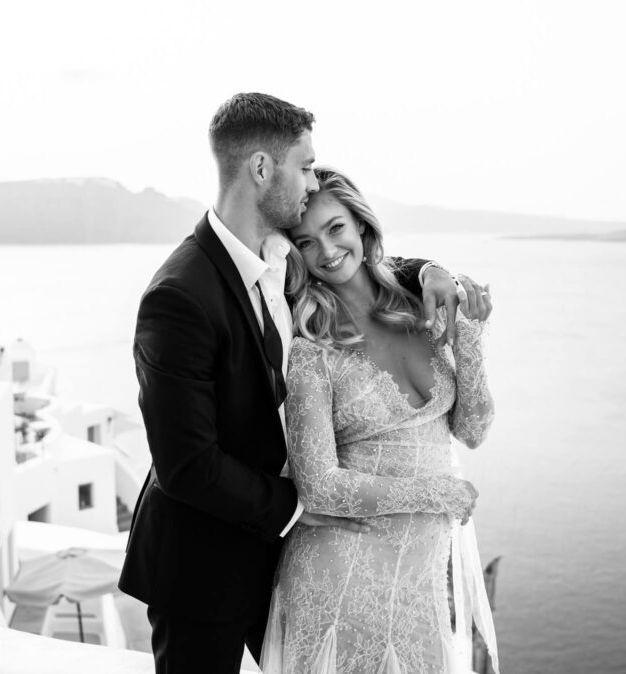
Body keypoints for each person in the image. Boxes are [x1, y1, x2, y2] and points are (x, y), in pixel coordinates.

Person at [117, 93, 474, 674]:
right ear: (262, 169)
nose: (312, 181)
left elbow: (359, 262)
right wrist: (303, 502)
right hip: (202, 567)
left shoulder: (281, 256)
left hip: (282, 557)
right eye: (304, 166)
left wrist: (436, 272)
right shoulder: (180, 296)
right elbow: (186, 464)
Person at [259, 166, 500, 673]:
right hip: (341, 572)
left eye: (336, 228)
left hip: (421, 571)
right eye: (305, 242)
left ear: (362, 227)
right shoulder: (311, 349)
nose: (326, 251)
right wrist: (436, 493)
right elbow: (319, 487)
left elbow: (472, 431)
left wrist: (471, 339)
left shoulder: (419, 307)